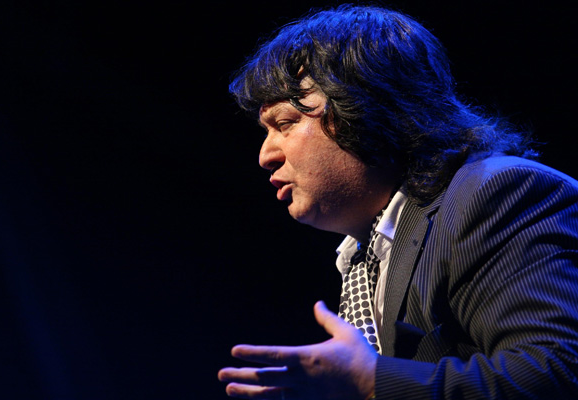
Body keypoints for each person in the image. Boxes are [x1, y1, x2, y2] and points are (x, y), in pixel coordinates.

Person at [218, 4, 578, 399]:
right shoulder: (365, 255)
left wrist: (370, 380)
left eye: (285, 123)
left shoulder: (495, 193)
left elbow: (559, 370)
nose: (265, 155)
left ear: (363, 107)